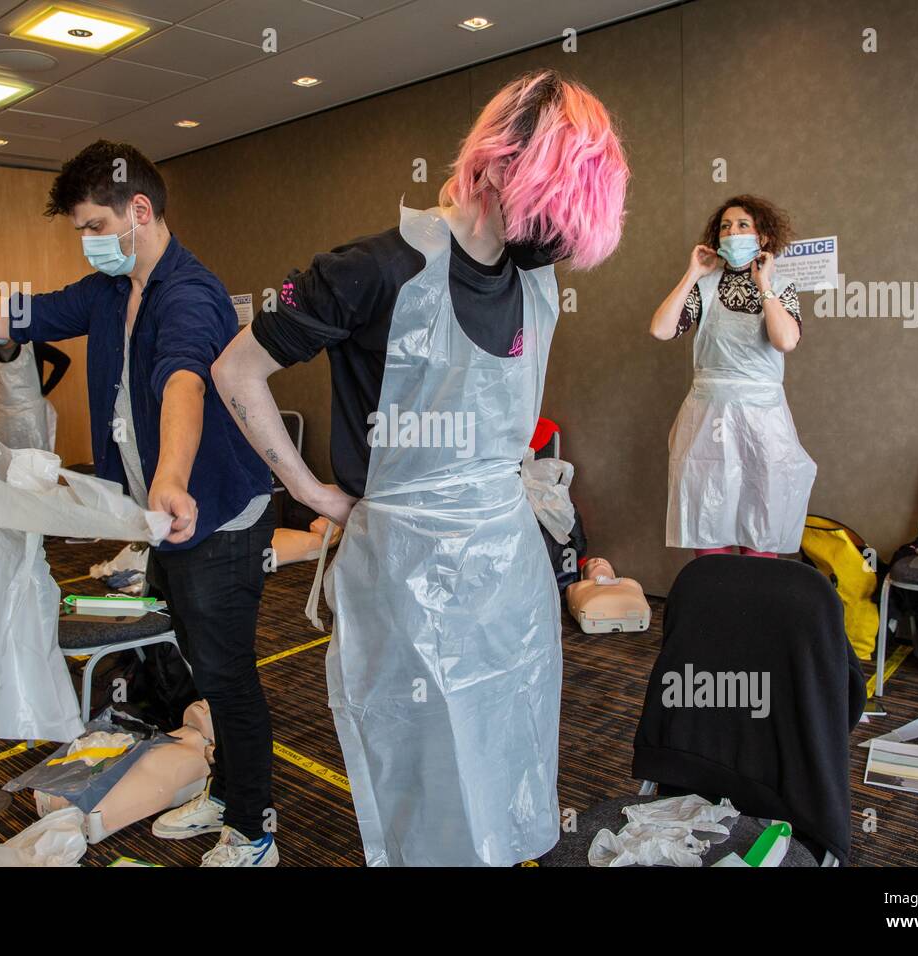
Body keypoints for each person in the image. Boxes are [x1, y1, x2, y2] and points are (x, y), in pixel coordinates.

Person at [212, 70, 629, 866]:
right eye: (546, 213)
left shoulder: (530, 276)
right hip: (408, 562)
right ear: (498, 164)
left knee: (510, 728)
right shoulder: (370, 271)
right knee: (424, 749)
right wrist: (311, 494)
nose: (550, 242)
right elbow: (236, 373)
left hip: (505, 557)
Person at [0, 141, 280, 867]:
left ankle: (254, 826)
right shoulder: (111, 290)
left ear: (139, 211)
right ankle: (225, 790)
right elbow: (17, 313)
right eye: (78, 230)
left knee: (226, 671)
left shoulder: (189, 294)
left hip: (217, 516)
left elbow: (185, 386)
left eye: (92, 226)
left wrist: (171, 475)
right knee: (196, 661)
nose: (86, 242)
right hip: (163, 514)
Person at [651, 194, 815, 558]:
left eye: (743, 225)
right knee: (707, 526)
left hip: (762, 420)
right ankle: (714, 609)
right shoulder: (705, 287)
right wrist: (693, 273)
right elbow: (661, 330)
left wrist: (764, 284)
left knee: (761, 527)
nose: (732, 232)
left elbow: (785, 340)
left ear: (764, 238)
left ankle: (755, 611)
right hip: (708, 419)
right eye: (725, 226)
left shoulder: (781, 287)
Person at [0, 337, 70, 451]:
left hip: (32, 415)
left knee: (36, 456)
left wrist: (46, 389)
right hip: (2, 416)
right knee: (6, 456)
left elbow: (63, 361)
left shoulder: (32, 346)